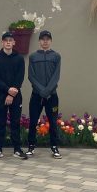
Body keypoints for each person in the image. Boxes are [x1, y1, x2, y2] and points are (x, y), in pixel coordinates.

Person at [0, 31, 27, 159]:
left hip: (16, 95)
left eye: (10, 40)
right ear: (2, 42)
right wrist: (7, 90)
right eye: (6, 40)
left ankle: (17, 149)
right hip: (1, 95)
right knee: (0, 123)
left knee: (15, 123)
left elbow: (20, 77)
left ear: (14, 42)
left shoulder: (19, 59)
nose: (8, 42)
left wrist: (11, 94)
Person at [27, 30, 63, 158]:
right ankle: (31, 146)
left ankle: (54, 147)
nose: (45, 41)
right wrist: (41, 91)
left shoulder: (56, 56)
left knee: (53, 122)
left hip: (51, 96)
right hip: (36, 95)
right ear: (39, 41)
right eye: (43, 39)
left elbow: (56, 76)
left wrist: (47, 91)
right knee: (33, 121)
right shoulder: (33, 56)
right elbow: (31, 76)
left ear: (51, 41)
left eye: (47, 39)